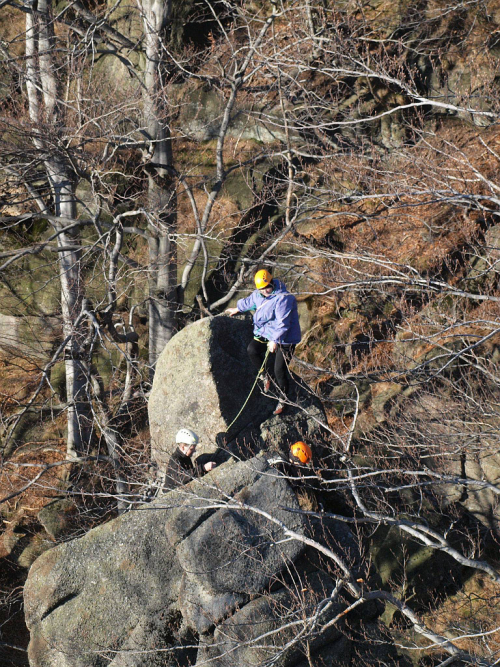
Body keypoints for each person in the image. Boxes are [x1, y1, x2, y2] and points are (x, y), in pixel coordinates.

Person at [225, 269, 301, 415]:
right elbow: (250, 301)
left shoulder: (283, 298)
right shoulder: (259, 294)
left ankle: (284, 399)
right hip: (269, 331)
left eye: (267, 287)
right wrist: (238, 308)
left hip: (286, 338)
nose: (265, 291)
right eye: (262, 289)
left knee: (279, 370)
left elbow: (283, 324)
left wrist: (274, 340)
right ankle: (265, 375)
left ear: (272, 283)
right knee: (252, 350)